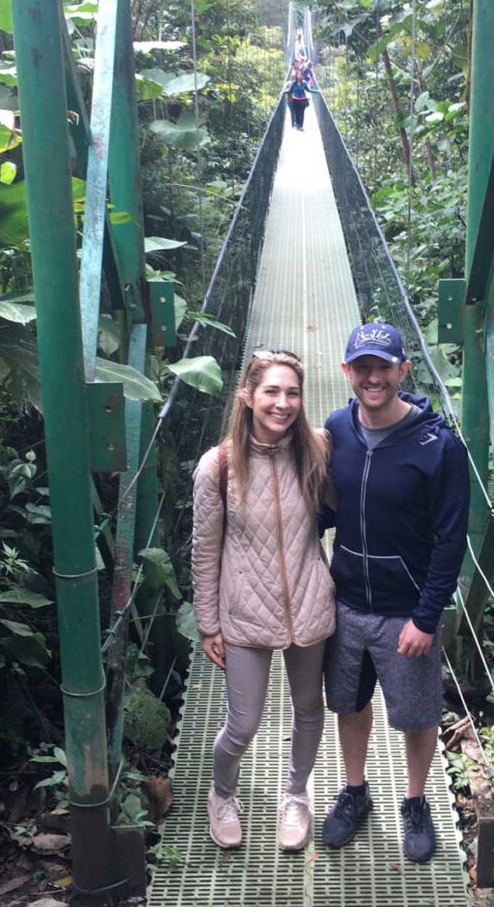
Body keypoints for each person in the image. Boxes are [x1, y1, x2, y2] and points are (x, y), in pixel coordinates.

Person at [320, 323, 470, 863]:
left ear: (404, 371)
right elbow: (326, 505)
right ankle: (355, 792)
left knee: (417, 714)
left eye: (383, 366)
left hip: (404, 611)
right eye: (362, 367)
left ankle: (413, 801)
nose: (373, 377)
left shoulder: (438, 446)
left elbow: (452, 537)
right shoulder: (337, 428)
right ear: (347, 373)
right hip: (344, 604)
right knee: (349, 703)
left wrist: (427, 618)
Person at [192, 349, 335, 852]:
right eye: (271, 392)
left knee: (308, 709)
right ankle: (222, 793)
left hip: (309, 605)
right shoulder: (219, 465)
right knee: (243, 722)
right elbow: (205, 548)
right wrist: (209, 624)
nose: (283, 403)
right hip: (244, 612)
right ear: (249, 396)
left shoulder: (316, 450)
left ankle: (296, 795)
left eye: (292, 392)